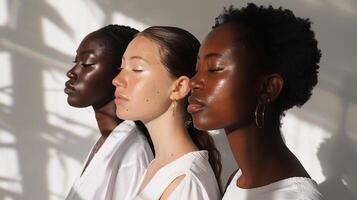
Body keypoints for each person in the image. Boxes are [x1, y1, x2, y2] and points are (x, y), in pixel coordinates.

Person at [188, 3, 324, 200]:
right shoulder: (238, 179)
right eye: (197, 69)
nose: (193, 82)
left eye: (215, 68)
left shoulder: (294, 197)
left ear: (268, 88)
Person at [112, 26, 221, 200]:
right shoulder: (158, 166)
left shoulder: (186, 181)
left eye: (137, 69)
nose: (117, 80)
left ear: (179, 87)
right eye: (121, 67)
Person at [64, 25, 153, 200]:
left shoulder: (132, 153)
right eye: (76, 62)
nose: (72, 73)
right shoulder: (107, 142)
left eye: (87, 64)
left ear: (121, 73)